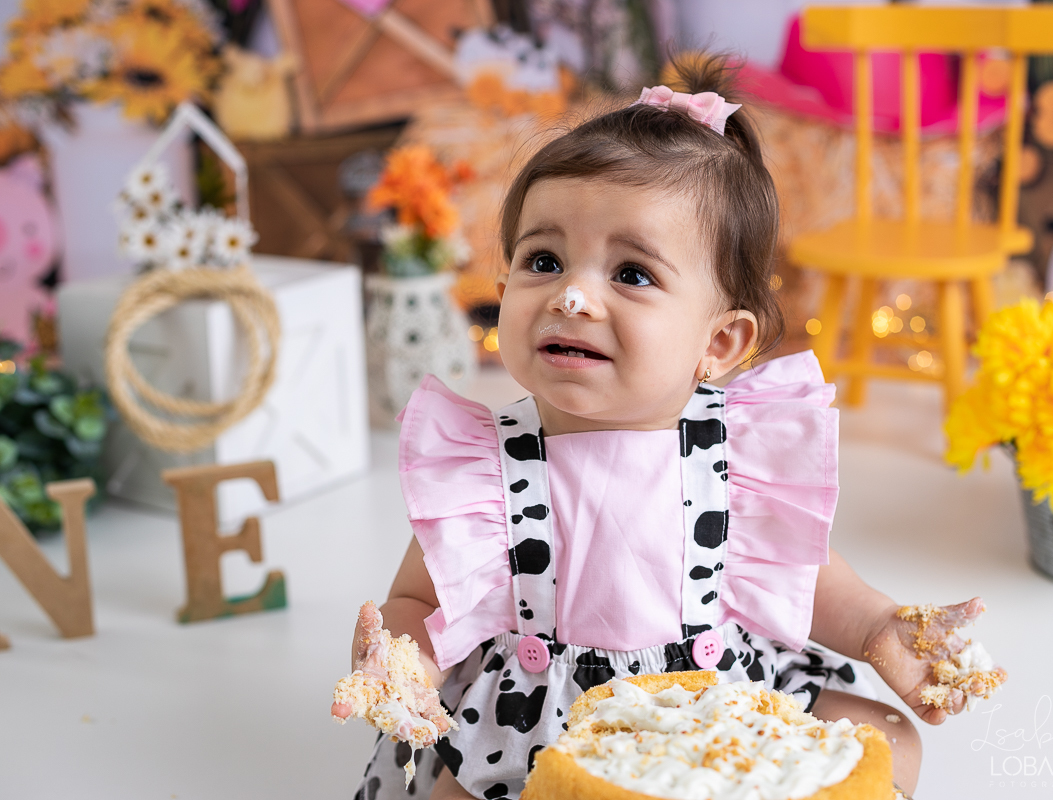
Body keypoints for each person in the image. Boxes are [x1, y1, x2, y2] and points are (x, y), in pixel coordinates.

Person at [340, 55, 994, 800]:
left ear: (718, 344)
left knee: (890, 738)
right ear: (504, 290)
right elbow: (421, 601)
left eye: (632, 274)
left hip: (715, 706)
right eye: (544, 260)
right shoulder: (485, 469)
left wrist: (880, 629)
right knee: (450, 788)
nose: (574, 297)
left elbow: (809, 580)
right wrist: (401, 658)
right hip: (543, 723)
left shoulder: (731, 458)